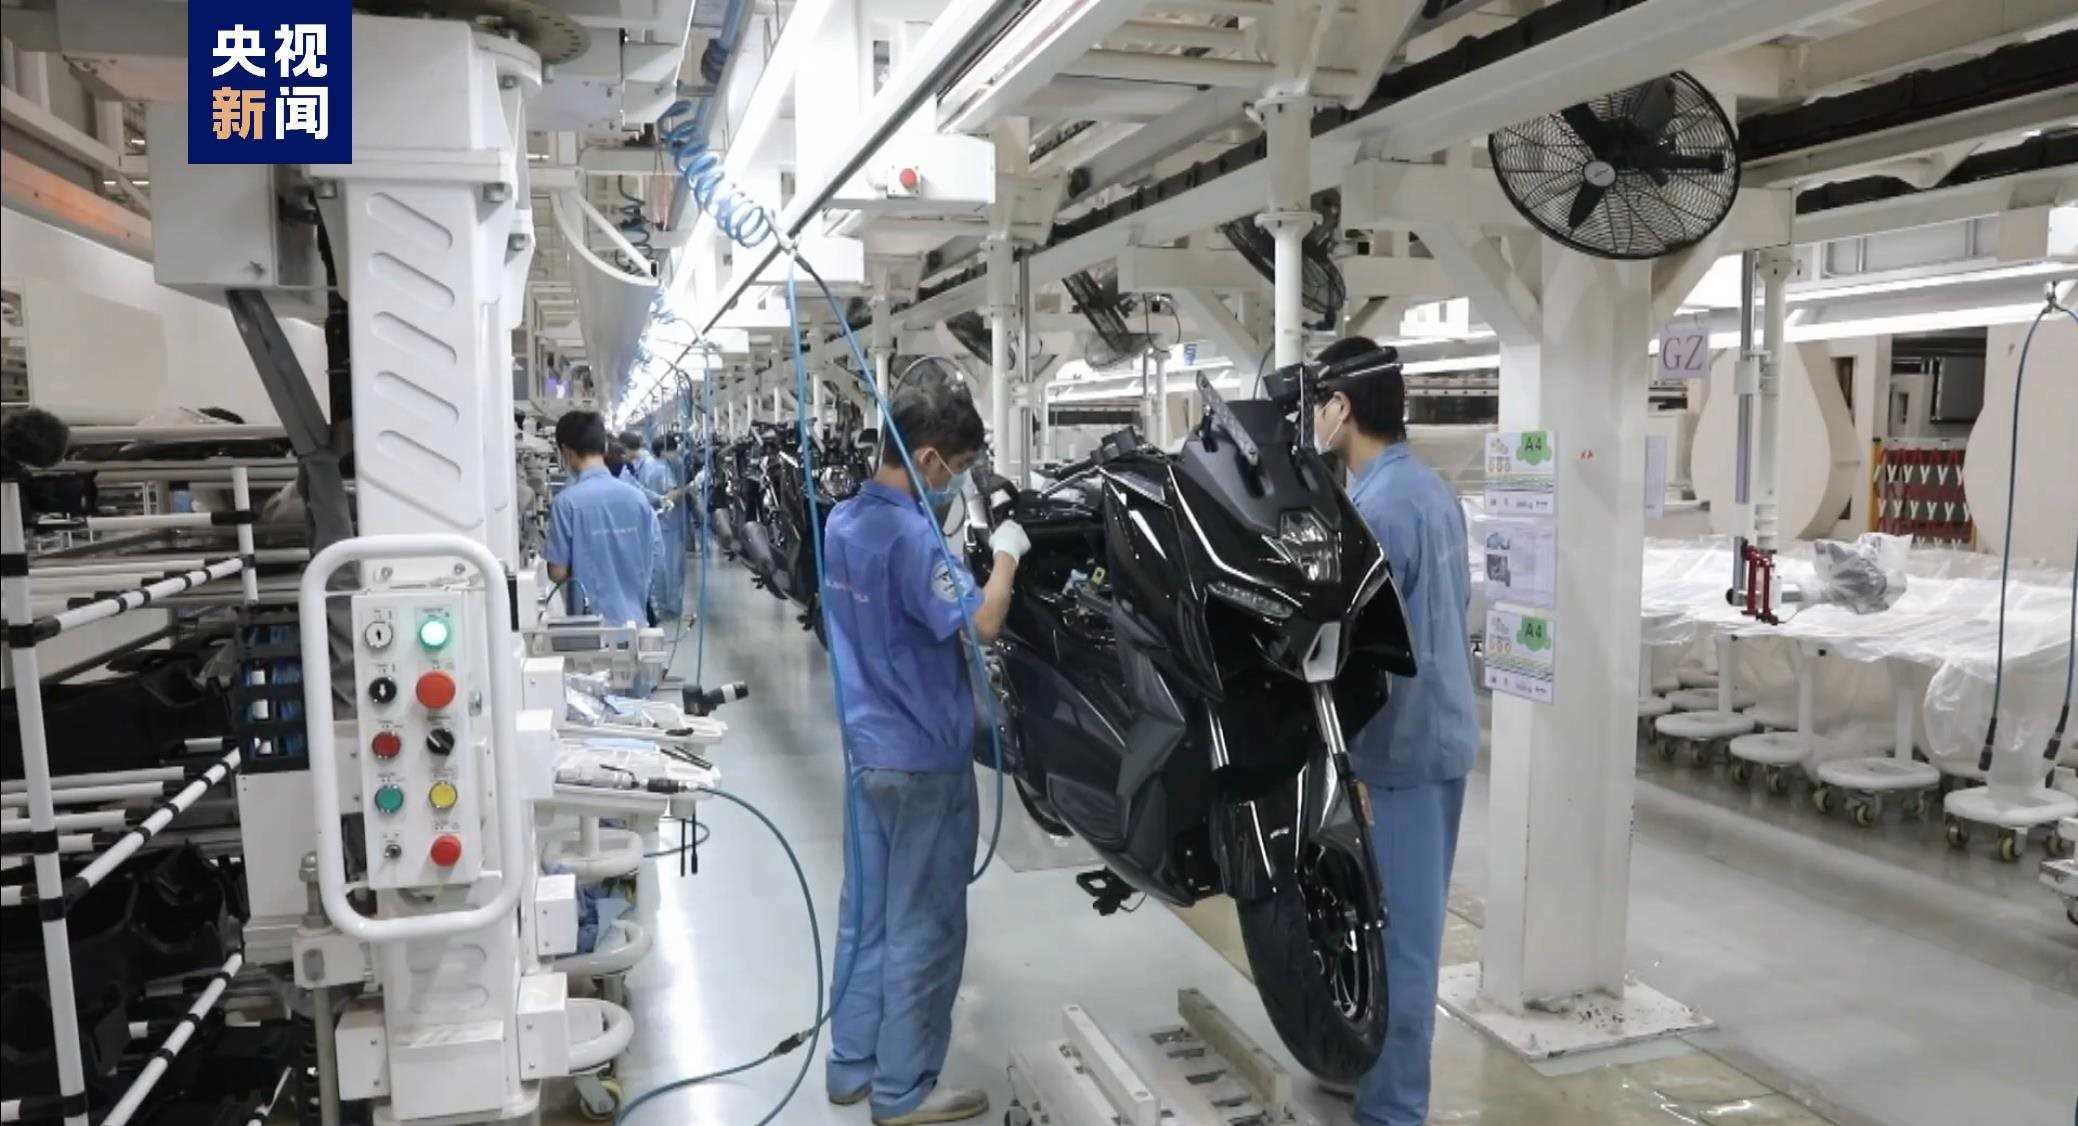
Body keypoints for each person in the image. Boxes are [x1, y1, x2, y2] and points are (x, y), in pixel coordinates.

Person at [820, 382, 1028, 1126]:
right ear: (930, 458)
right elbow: (983, 624)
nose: (957, 482)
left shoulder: (842, 522)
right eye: (958, 468)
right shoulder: (914, 539)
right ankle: (903, 1090)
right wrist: (1005, 557)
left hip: (866, 751)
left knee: (866, 914)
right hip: (924, 760)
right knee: (924, 926)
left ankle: (851, 1065)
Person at [1309, 336, 1478, 1126]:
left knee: (1398, 943)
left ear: (1342, 408)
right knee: (1400, 927)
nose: (1314, 419)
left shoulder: (1372, 513)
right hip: (1441, 737)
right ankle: (1369, 1073)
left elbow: (1350, 650)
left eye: (1318, 404)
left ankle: (1395, 1111)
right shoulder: (1434, 493)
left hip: (1398, 755)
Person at [542, 410, 664, 633]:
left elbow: (557, 573)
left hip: (590, 629)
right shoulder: (637, 499)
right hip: (635, 623)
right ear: (605, 446)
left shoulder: (566, 503)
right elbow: (653, 555)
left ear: (565, 451)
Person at [641, 435, 690, 623]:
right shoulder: (662, 469)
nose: (677, 454)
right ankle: (670, 608)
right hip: (668, 524)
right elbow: (670, 495)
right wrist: (690, 487)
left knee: (658, 565)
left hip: (656, 523)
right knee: (671, 568)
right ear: (663, 451)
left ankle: (659, 605)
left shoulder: (647, 464)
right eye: (674, 450)